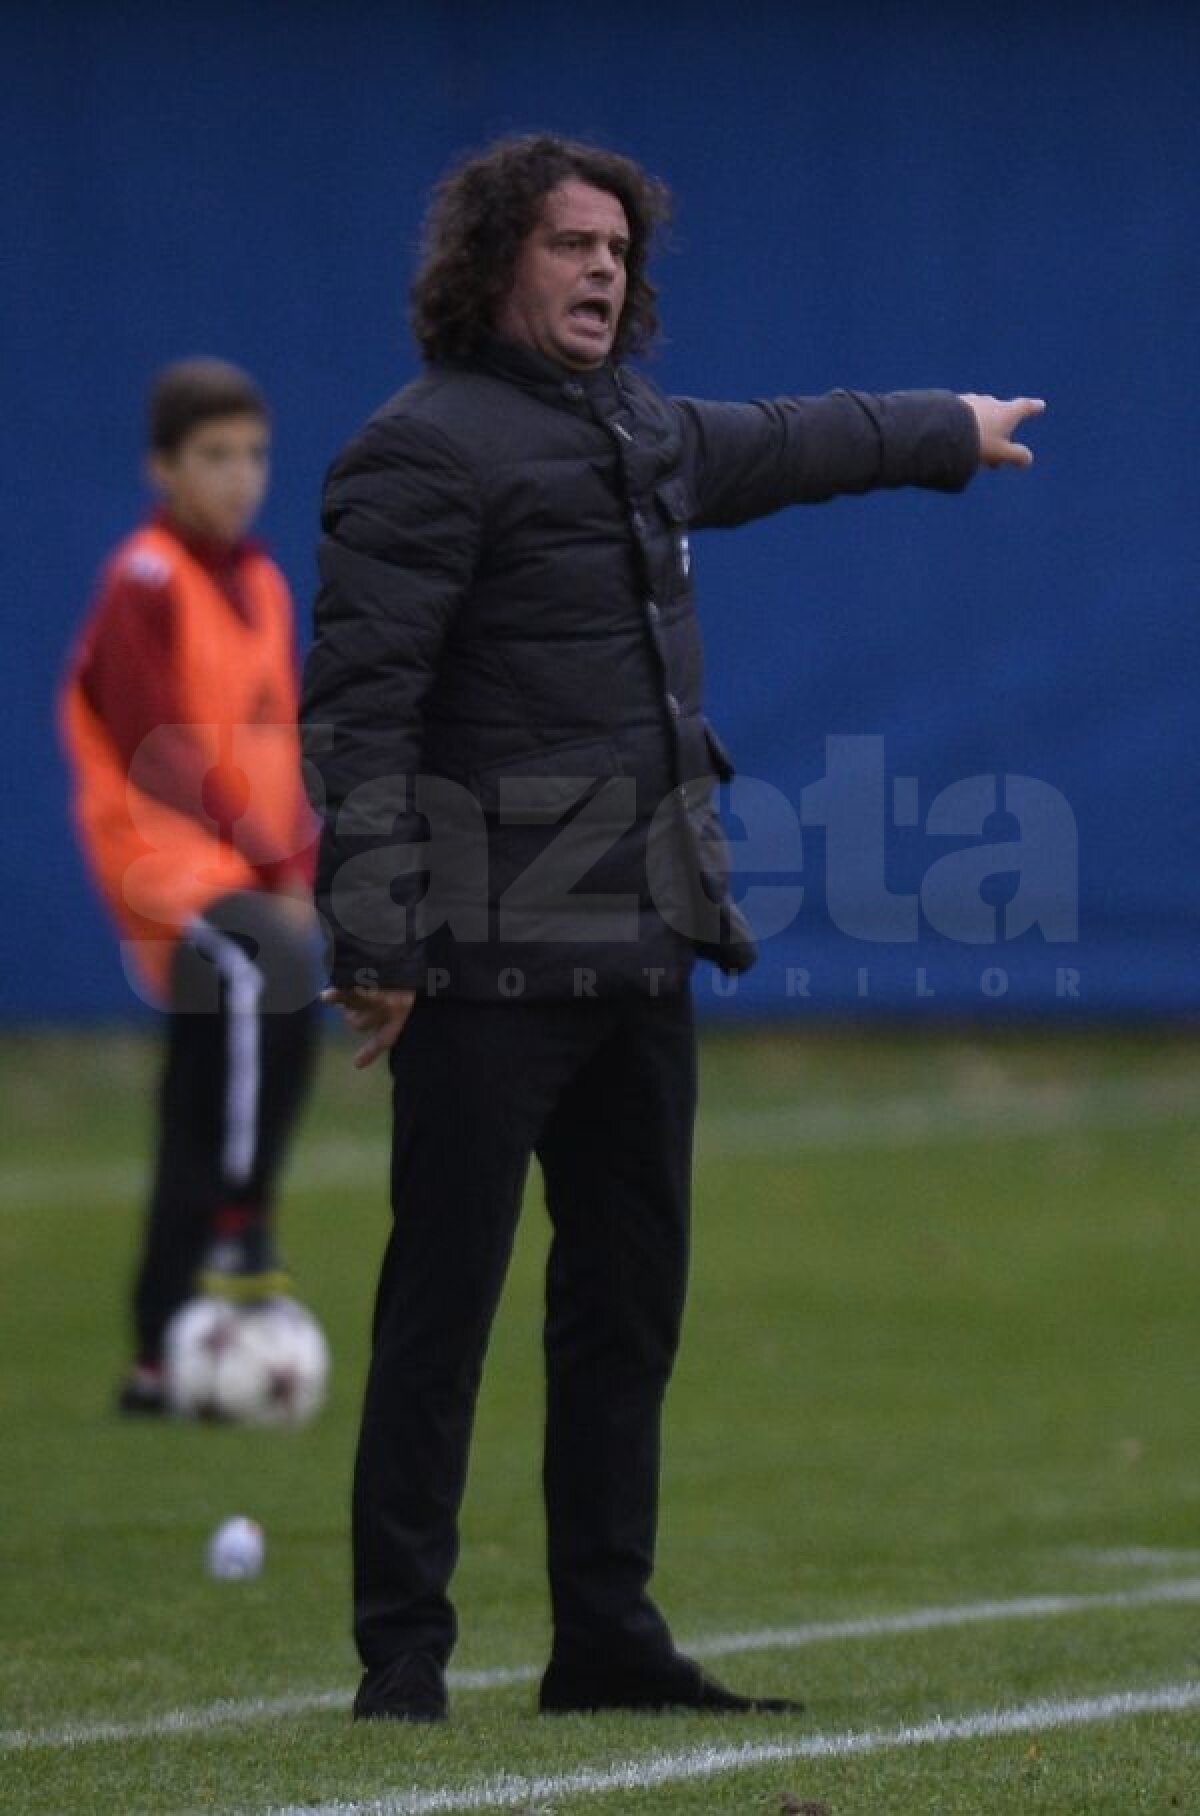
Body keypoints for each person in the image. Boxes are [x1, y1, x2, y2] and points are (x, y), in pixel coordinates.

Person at [301, 134, 1043, 1722]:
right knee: (443, 1311)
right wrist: (373, 937)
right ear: (494, 258)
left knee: (626, 1311)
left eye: (619, 248)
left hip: (644, 940)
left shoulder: (632, 427)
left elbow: (779, 441)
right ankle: (403, 1658)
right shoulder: (416, 453)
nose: (603, 270)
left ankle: (605, 1640)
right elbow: (360, 713)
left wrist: (943, 431)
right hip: (487, 953)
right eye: (571, 243)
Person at [60, 357, 321, 1415]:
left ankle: (158, 1354)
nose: (240, 476)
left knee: (194, 1102)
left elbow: (274, 743)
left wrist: (295, 855)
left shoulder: (260, 583)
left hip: (241, 862)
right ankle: (242, 1219)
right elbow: (157, 746)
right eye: (214, 456)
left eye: (254, 453)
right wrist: (271, 870)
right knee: (279, 957)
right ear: (162, 467)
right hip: (164, 864)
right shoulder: (146, 579)